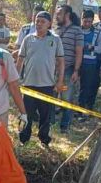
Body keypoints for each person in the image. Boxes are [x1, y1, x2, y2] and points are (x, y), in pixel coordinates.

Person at [16, 11, 65, 148]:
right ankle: (23, 140)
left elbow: (61, 62)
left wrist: (60, 81)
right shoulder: (28, 39)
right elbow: (20, 61)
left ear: (49, 24)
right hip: (29, 84)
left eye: (42, 21)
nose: (39, 24)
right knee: (26, 114)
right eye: (37, 21)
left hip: (47, 85)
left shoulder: (55, 40)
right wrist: (15, 78)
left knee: (46, 116)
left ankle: (44, 140)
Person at [54, 5, 84, 132]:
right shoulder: (56, 30)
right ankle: (50, 122)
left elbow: (79, 52)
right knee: (52, 95)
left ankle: (65, 126)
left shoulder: (77, 31)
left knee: (67, 98)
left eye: (59, 13)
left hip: (68, 70)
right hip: (53, 70)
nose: (57, 15)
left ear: (67, 15)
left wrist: (76, 71)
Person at [79, 10, 101, 113]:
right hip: (76, 62)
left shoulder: (97, 32)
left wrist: (92, 47)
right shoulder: (77, 30)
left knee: (86, 87)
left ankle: (82, 108)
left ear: (93, 21)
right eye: (85, 21)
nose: (87, 24)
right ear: (82, 20)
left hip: (90, 64)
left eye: (90, 21)